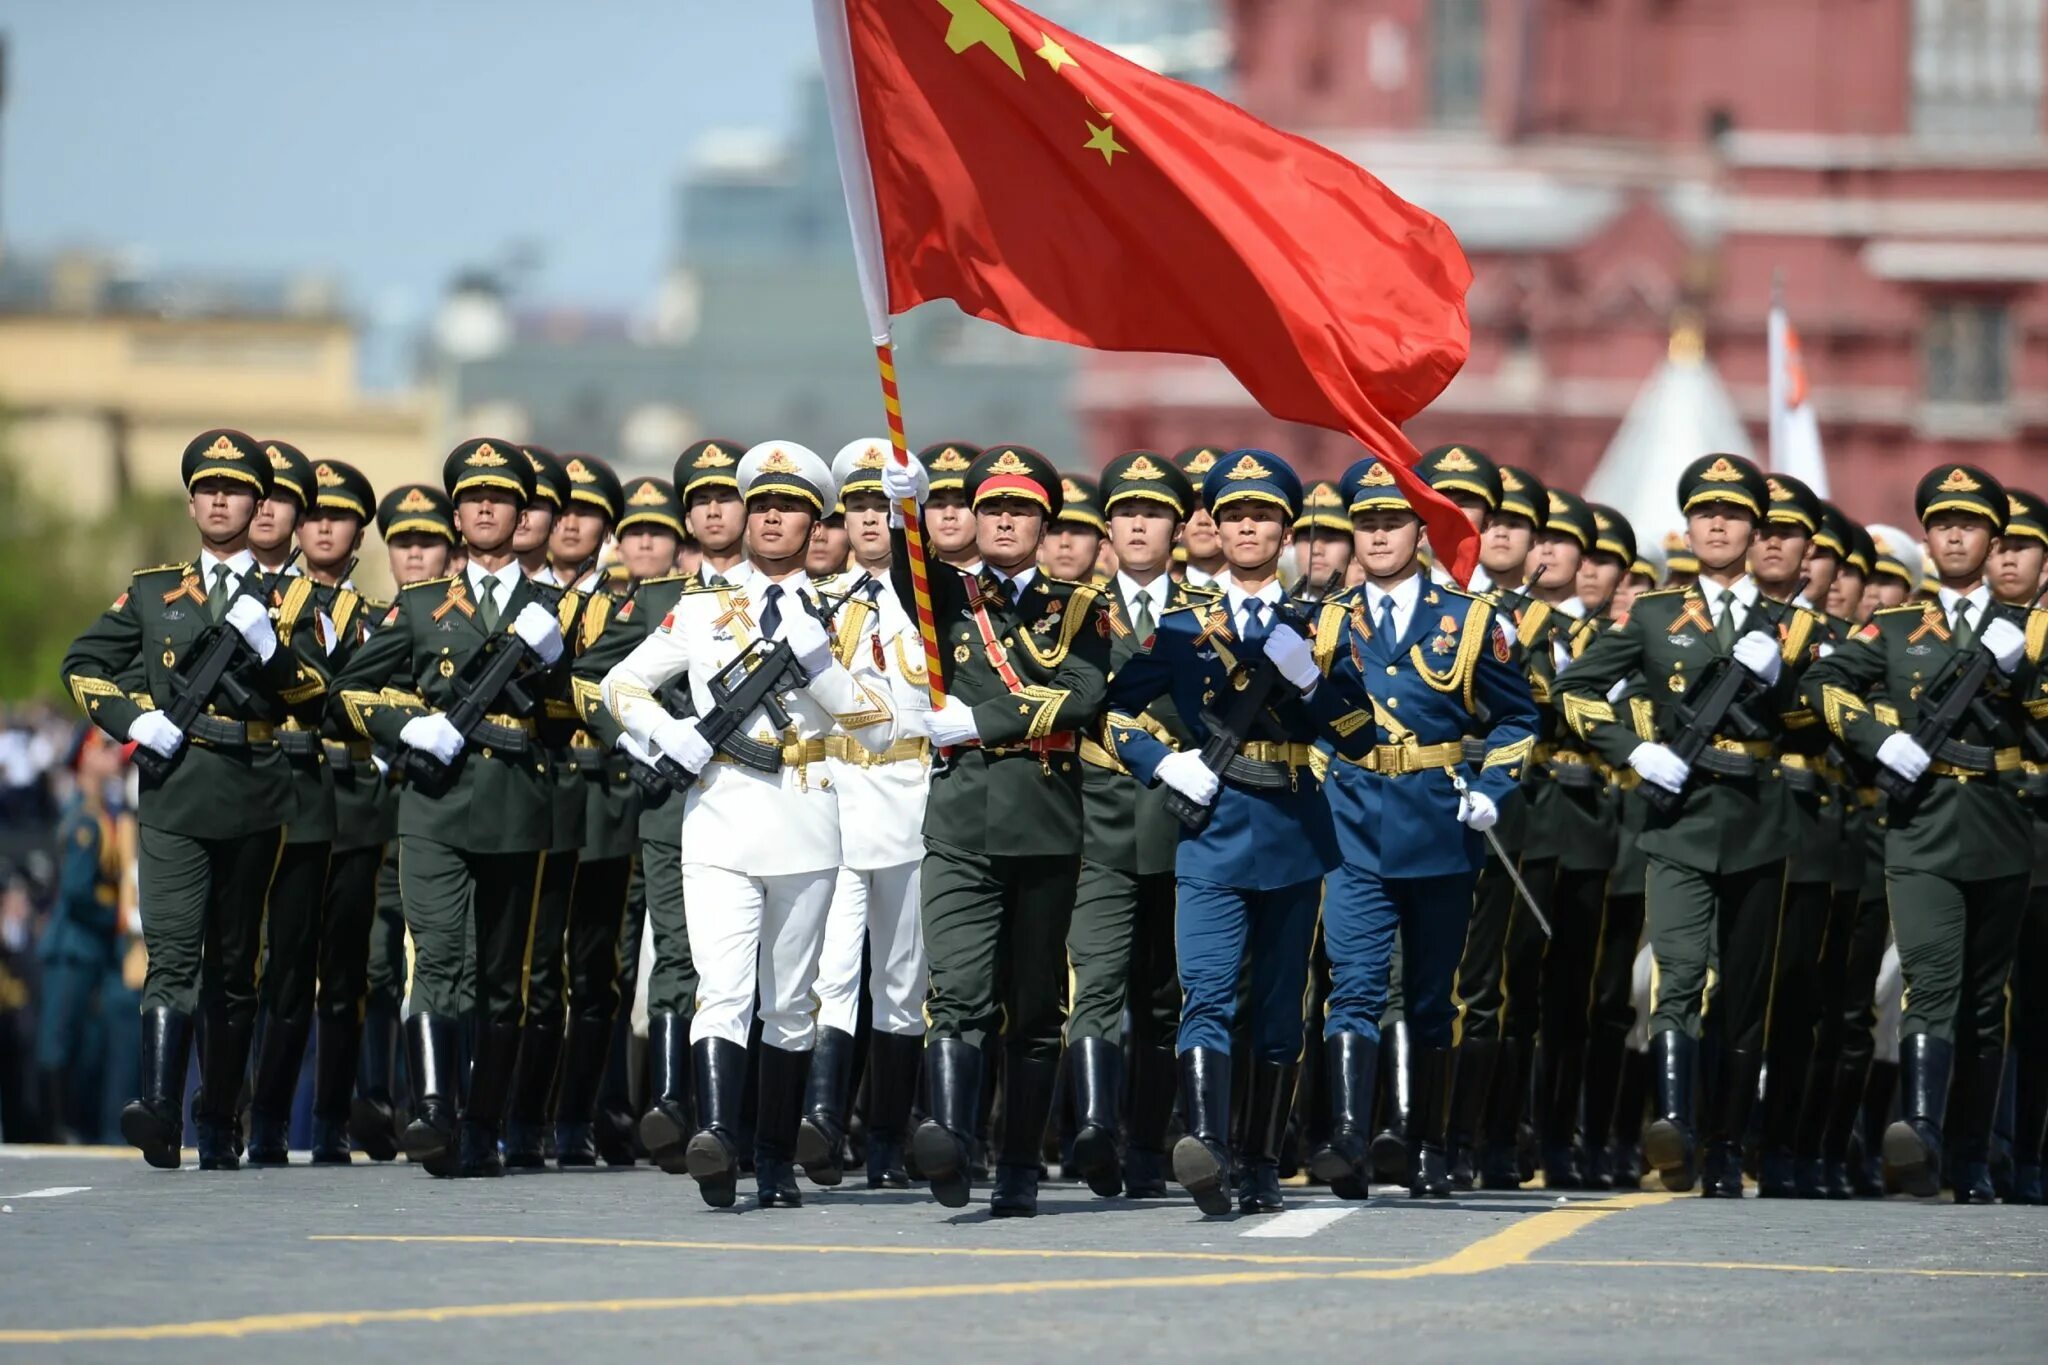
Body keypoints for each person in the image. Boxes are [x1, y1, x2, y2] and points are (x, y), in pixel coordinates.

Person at [601, 441, 895, 1209]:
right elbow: (621, 684)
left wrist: (824, 667)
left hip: (806, 817)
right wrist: (672, 735)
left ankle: (772, 1154)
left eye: (788, 506)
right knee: (721, 990)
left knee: (791, 1000)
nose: (770, 517)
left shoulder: (847, 612)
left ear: (815, 522)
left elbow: (878, 729)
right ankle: (718, 1141)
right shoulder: (700, 610)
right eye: (760, 503)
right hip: (721, 819)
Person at [1100, 449, 1372, 1215]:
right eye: (1235, 516)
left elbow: (1358, 735)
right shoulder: (1184, 627)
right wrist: (1161, 762)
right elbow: (1118, 711)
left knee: (1281, 1008)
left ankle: (1259, 1159)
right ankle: (1207, 1147)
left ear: (1287, 533)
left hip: (1291, 825)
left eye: (1263, 517)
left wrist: (1314, 680)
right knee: (1207, 991)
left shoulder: (1322, 624)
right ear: (1213, 529)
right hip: (1213, 825)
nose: (1248, 528)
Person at [1555, 454, 1823, 1199]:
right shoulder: (1650, 614)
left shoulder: (1794, 626)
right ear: (1689, 526)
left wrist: (1785, 680)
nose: (1717, 524)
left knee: (1744, 992)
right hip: (1676, 817)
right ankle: (1675, 1119)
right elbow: (1576, 687)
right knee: (1677, 970)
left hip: (1759, 820)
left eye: (1732, 515)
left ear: (1752, 530)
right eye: (1706, 513)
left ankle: (1729, 1143)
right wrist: (1633, 749)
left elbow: (1822, 726)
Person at [62, 428, 331, 1169]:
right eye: (208, 488)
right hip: (176, 789)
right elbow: (83, 663)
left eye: (235, 488)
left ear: (257, 503)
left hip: (253, 786)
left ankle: (218, 1116)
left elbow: (319, 697)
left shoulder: (295, 594)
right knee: (173, 949)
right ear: (191, 502)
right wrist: (133, 717)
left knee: (236, 961)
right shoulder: (153, 590)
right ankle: (157, 1105)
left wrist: (272, 648)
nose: (220, 498)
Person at [878, 443, 1113, 1217]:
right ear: (973, 519)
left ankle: (1017, 1164)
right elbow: (907, 575)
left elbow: (1080, 695)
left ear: (1045, 521)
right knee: (959, 992)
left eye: (1020, 509)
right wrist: (902, 508)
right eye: (991, 508)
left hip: (1044, 820)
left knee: (1036, 1006)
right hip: (961, 822)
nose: (1005, 520)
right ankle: (949, 1134)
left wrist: (978, 718)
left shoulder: (1078, 606)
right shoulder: (948, 593)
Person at [1800, 464, 2044, 1202]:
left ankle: (1973, 1156)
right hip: (1923, 821)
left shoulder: (2029, 632)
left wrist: (2023, 677)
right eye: (1942, 526)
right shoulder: (1898, 626)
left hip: (2002, 821)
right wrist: (1879, 737)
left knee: (1983, 997)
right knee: (1931, 981)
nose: (1956, 537)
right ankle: (1922, 1132)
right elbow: (1823, 684)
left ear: (1992, 538)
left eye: (1969, 526)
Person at [331, 438, 569, 1178]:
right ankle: (434, 1108)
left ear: (523, 513)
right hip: (434, 803)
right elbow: (354, 690)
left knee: (504, 977)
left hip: (516, 802)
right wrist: (411, 725)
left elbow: (584, 713)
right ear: (458, 515)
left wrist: (558, 660)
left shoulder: (558, 608)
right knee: (437, 958)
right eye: (471, 498)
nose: (486, 507)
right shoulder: (420, 604)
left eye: (499, 497)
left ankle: (483, 1124)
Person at [1311, 455, 1537, 1201]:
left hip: (1440, 820)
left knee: (1433, 996)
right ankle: (1349, 1135)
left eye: (1390, 521)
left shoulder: (1470, 620)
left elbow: (1515, 718)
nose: (1376, 535)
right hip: (1351, 818)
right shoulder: (1328, 619)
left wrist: (1494, 789)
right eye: (1365, 522)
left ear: (1420, 529)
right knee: (1355, 983)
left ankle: (1427, 1139)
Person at [1061, 451, 1209, 1199]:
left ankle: (1148, 1144)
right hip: (1098, 816)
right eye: (1126, 514)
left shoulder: (1206, 613)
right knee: (1094, 976)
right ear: (1108, 529)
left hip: (1185, 824)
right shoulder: (1073, 609)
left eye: (1153, 513)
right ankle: (1093, 1126)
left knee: (1163, 993)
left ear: (1177, 528)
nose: (1139, 524)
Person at [796, 438, 935, 1190]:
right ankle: (823, 1118)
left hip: (911, 790)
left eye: (883, 504)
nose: (871, 518)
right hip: (839, 791)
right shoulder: (817, 599)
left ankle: (885, 1135)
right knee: (833, 966)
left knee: (903, 975)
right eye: (857, 505)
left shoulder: (934, 598)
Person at [574, 468, 707, 1176]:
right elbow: (591, 678)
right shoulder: (648, 601)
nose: (647, 543)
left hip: (741, 792)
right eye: (637, 532)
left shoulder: (742, 590)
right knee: (666, 953)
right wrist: (639, 734)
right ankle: (664, 1102)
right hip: (651, 795)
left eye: (661, 532)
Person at [514, 453, 635, 1168]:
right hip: (533, 787)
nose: (568, 525)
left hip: (602, 795)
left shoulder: (625, 605)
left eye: (586, 513)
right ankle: (521, 1115)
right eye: (558, 511)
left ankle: (575, 1118)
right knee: (528, 971)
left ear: (607, 529)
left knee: (593, 969)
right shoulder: (508, 599)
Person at [350, 483, 458, 1160]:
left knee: (435, 959)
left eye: (428, 542)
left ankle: (430, 1101)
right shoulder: (370, 625)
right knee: (370, 965)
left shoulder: (459, 625)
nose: (415, 555)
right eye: (403, 543)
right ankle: (372, 1096)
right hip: (366, 822)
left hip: (433, 817)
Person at [292, 458, 385, 1164]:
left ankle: (329, 1118)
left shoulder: (379, 622)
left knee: (345, 974)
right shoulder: (261, 609)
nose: (324, 525)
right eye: (314, 513)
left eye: (339, 515)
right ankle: (251, 1113)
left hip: (353, 806)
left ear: (358, 533)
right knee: (272, 968)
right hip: (284, 802)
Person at [1989, 487, 2048, 1203]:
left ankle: (2028, 1150)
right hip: (1973, 836)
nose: (2005, 558)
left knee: (2035, 1011)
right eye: (1997, 545)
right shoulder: (1949, 632)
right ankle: (1983, 1147)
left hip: (2041, 849)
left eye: (2020, 546)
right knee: (1977, 1004)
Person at [33, 727, 131, 1144]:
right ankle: (57, 1127)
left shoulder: (104, 811)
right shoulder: (85, 819)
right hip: (73, 945)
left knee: (87, 1043)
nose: (114, 757)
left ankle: (75, 1123)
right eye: (104, 748)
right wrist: (118, 917)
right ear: (85, 758)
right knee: (61, 1037)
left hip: (93, 947)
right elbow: (76, 891)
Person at [918, 442, 984, 571]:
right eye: (938, 505)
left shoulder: (1008, 585)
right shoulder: (902, 586)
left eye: (961, 504)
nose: (949, 515)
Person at [1172, 447, 1227, 587]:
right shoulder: (1156, 602)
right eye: (1193, 507)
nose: (1203, 521)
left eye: (1212, 508)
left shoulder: (1262, 600)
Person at [1042, 475, 1107, 584]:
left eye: (1078, 532)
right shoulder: (1015, 598)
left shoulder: (1121, 599)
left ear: (1101, 548)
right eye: (1054, 532)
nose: (1064, 543)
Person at [1290, 480, 1355, 588]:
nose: (1316, 550)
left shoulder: (1375, 605)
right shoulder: (1269, 604)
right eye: (1307, 538)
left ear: (1353, 548)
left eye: (1331, 538)